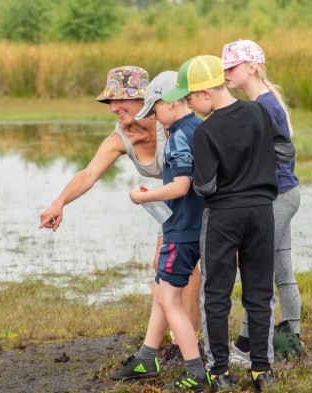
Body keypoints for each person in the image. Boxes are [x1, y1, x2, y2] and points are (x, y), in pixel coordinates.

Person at [38, 66, 202, 362]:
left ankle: (188, 344)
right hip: (172, 204)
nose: (113, 108)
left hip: (198, 201)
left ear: (144, 99)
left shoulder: (168, 119)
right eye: (109, 102)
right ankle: (178, 343)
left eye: (120, 100)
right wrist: (59, 202)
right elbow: (89, 173)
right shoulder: (120, 137)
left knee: (186, 269)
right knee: (166, 266)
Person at [163, 55, 295, 392]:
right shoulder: (258, 111)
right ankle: (262, 371)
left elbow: (204, 186)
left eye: (190, 97)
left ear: (206, 93)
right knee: (260, 292)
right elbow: (284, 150)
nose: (189, 104)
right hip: (262, 213)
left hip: (223, 217)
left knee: (216, 294)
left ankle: (218, 371)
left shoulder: (205, 132)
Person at [108, 71, 210, 391]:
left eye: (155, 111)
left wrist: (143, 197)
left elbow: (181, 186)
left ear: (169, 103)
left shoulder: (180, 134)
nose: (155, 119)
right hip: (195, 225)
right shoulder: (201, 129)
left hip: (183, 229)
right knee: (161, 289)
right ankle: (146, 357)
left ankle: (195, 371)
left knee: (168, 298)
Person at [221, 39, 303, 367]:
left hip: (278, 197)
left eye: (231, 67)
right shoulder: (265, 102)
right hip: (285, 193)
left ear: (251, 68)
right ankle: (293, 342)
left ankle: (245, 345)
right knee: (281, 269)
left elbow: (276, 155)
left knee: (257, 270)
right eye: (224, 67)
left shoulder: (262, 106)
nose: (225, 73)